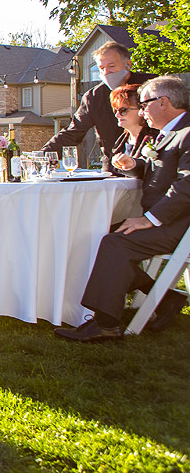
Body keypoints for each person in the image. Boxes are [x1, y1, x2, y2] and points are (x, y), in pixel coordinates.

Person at [54, 76, 190, 342]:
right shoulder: (170, 133)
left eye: (145, 104)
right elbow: (163, 170)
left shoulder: (186, 134)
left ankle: (106, 324)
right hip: (166, 219)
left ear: (163, 102)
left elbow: (187, 185)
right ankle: (164, 298)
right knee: (95, 236)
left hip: (179, 224)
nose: (141, 110)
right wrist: (136, 165)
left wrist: (150, 219)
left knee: (115, 244)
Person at [43, 42, 155, 167]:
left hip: (151, 162)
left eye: (111, 66)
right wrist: (44, 154)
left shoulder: (152, 87)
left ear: (128, 64)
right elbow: (73, 132)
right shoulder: (94, 97)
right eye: (101, 68)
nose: (107, 72)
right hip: (114, 165)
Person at [108, 84, 159, 170]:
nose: (117, 115)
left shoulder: (155, 138)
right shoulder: (121, 141)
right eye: (116, 110)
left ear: (142, 109)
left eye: (123, 110)